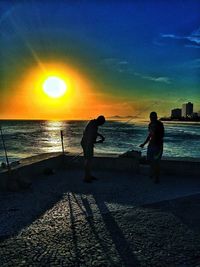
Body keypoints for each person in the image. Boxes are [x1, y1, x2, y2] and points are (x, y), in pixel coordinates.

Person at [140, 112, 164, 183]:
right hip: (151, 145)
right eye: (150, 117)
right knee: (150, 160)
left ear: (156, 117)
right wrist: (144, 143)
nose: (151, 118)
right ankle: (153, 172)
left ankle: (157, 178)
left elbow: (162, 135)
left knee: (156, 162)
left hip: (158, 146)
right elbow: (150, 135)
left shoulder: (160, 124)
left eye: (153, 117)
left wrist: (156, 137)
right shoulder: (150, 124)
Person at [81, 115, 106, 183]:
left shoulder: (93, 123)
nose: (101, 125)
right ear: (100, 122)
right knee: (88, 160)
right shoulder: (94, 125)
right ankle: (86, 178)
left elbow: (94, 133)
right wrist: (98, 141)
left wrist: (100, 136)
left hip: (87, 143)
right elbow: (90, 138)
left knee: (89, 160)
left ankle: (89, 175)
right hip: (87, 144)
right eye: (101, 123)